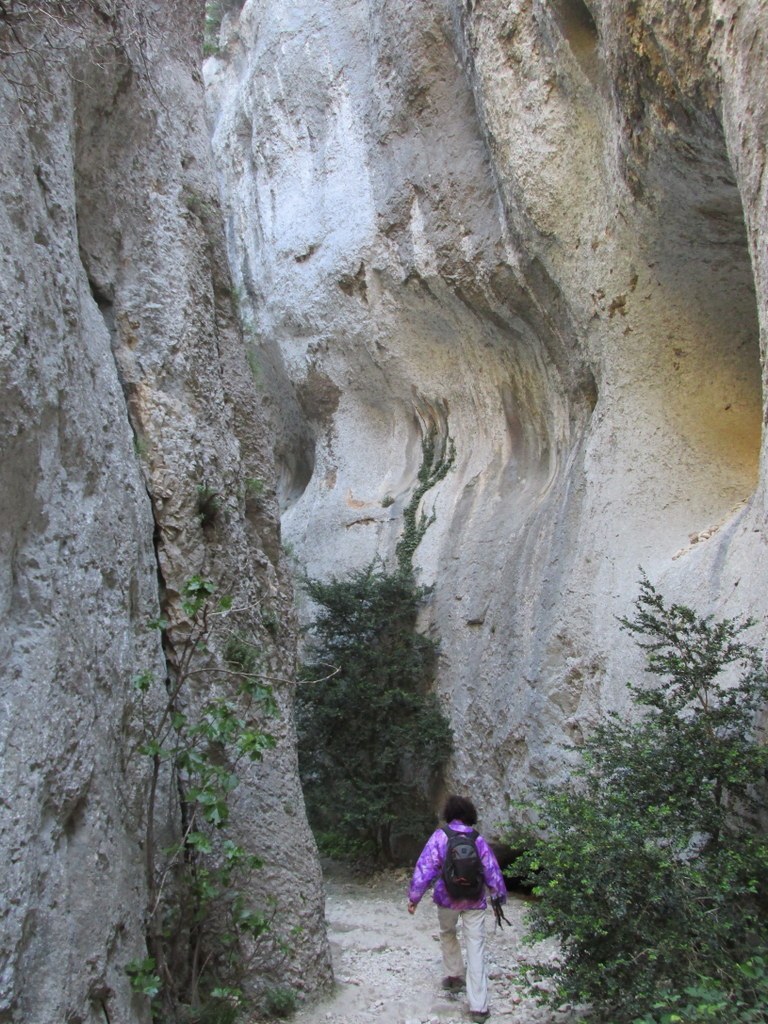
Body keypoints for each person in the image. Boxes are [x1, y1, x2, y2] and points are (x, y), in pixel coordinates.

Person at [407, 794, 507, 1023]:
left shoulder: (440, 836)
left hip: (447, 899)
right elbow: (491, 869)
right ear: (469, 814)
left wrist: (414, 897)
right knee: (476, 947)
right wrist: (498, 897)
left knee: (448, 933)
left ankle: (454, 976)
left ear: (449, 814)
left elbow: (425, 868)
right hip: (475, 900)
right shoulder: (477, 839)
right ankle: (479, 1006)